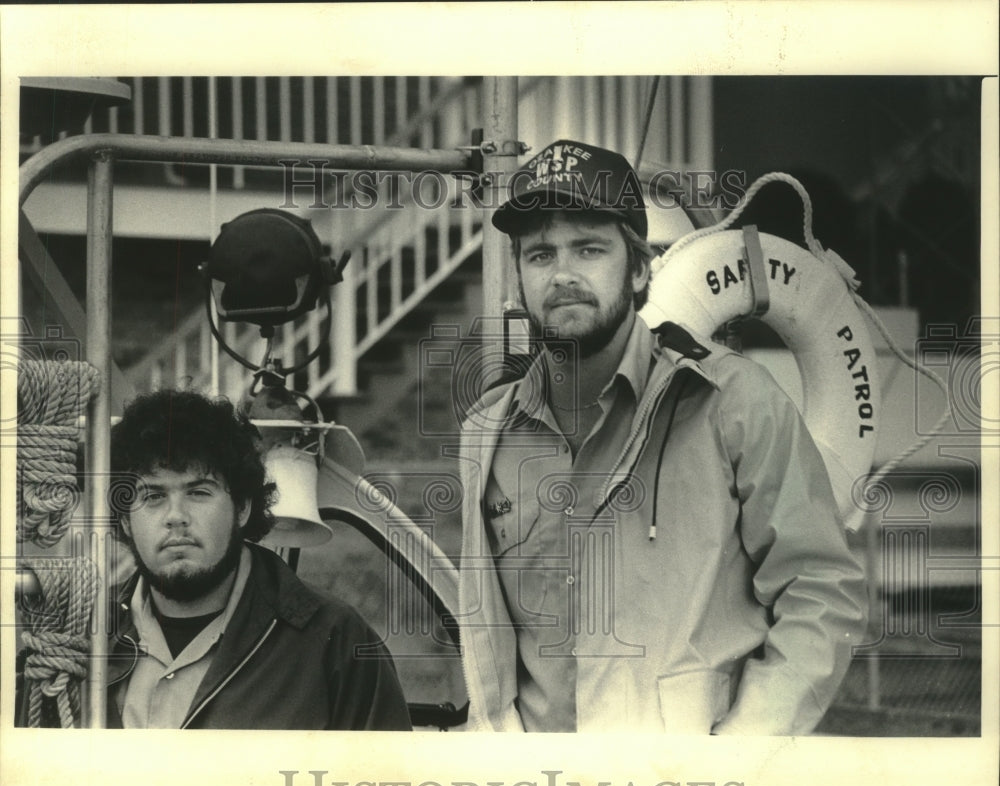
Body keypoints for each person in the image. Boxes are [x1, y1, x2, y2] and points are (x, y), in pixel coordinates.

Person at [456, 139, 868, 734]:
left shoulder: (735, 402)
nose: (563, 274)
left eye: (589, 248)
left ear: (641, 267)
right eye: (540, 255)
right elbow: (492, 642)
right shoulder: (486, 433)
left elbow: (821, 589)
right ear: (517, 280)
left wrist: (742, 753)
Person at [99, 388, 411, 730]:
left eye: (198, 492)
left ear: (243, 507)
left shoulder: (336, 642)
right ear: (126, 520)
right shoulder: (84, 633)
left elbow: (382, 782)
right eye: (153, 496)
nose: (176, 516)